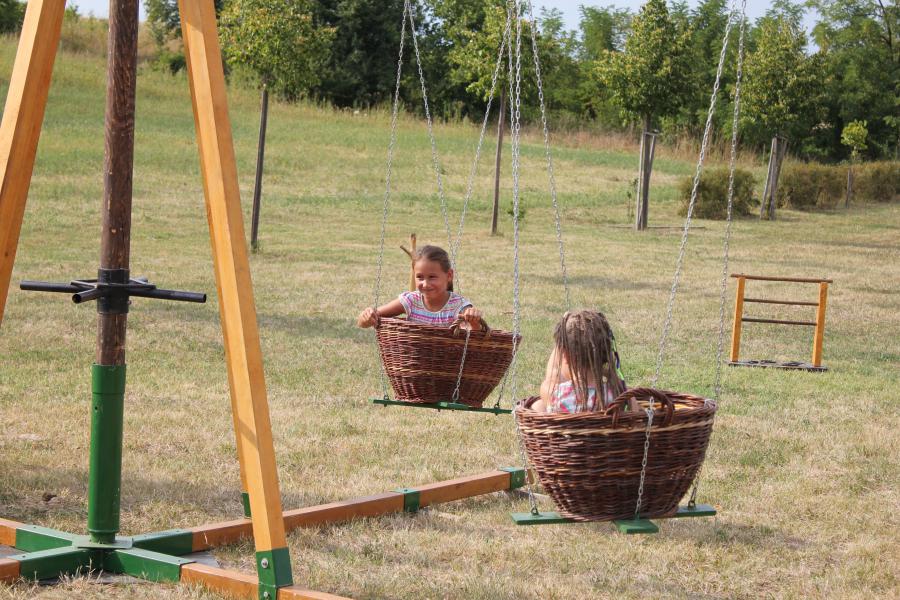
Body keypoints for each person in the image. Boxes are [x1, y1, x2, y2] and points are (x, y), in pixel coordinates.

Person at [529, 310, 634, 414]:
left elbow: (551, 377)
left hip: (566, 425)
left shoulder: (558, 395)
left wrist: (562, 337)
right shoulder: (619, 394)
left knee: (538, 406)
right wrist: (607, 373)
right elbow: (634, 409)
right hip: (609, 425)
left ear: (565, 356)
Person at [357, 245, 483, 330]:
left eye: (432, 277)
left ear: (449, 275)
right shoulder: (411, 301)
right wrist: (366, 317)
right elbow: (365, 321)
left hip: (449, 361)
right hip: (413, 361)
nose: (425, 284)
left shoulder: (459, 306)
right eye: (420, 277)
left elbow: (476, 337)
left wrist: (473, 320)